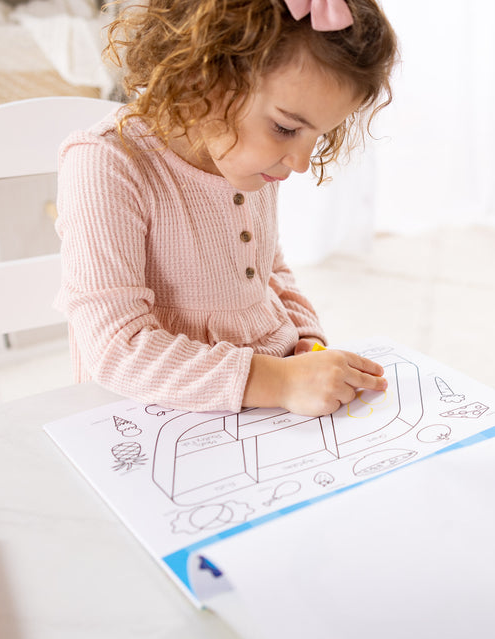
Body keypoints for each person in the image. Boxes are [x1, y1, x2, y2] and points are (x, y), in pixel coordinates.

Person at [55, 0, 398, 416]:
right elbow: (115, 347)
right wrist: (280, 382)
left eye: (320, 135)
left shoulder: (246, 159)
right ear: (203, 75)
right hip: (154, 416)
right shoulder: (107, 162)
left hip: (262, 403)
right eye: (286, 127)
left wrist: (306, 343)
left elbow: (270, 273)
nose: (301, 163)